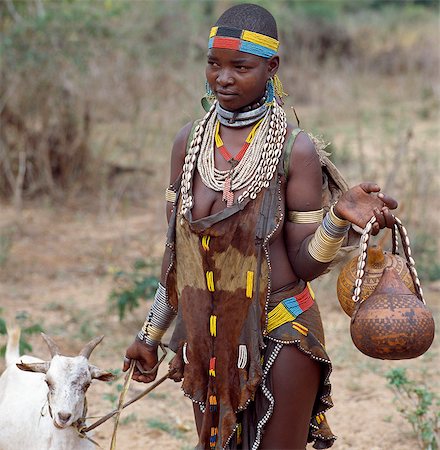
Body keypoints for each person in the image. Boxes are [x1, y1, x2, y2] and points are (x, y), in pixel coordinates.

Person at [123, 4, 397, 449]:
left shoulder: (294, 149)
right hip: (210, 341)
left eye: (241, 67)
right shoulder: (187, 143)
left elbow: (305, 263)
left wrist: (337, 217)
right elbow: (178, 259)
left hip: (280, 329)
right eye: (214, 64)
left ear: (272, 67)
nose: (223, 78)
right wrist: (149, 335)